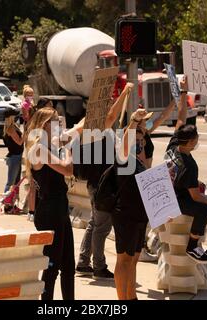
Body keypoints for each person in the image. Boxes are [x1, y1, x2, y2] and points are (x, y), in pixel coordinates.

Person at [166, 77, 207, 267]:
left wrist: (184, 91)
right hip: (177, 200)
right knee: (205, 208)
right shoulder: (188, 165)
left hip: (178, 191)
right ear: (189, 143)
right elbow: (196, 197)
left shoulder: (173, 145)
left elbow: (181, 117)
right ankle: (192, 245)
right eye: (196, 139)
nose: (197, 141)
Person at [76, 82, 134, 281]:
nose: (110, 103)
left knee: (96, 223)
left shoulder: (100, 126)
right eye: (106, 101)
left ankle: (83, 262)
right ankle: (99, 266)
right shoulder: (93, 124)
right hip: (100, 184)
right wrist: (124, 93)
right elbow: (111, 117)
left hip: (100, 182)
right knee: (102, 227)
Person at [25, 107, 84, 300]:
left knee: (68, 265)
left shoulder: (50, 144)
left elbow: (80, 128)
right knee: (52, 267)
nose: (60, 124)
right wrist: (68, 150)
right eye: (56, 121)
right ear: (44, 125)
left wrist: (92, 112)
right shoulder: (39, 148)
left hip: (59, 208)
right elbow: (68, 170)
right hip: (50, 212)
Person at [112, 108, 150, 300]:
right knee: (124, 259)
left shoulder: (138, 161)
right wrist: (134, 120)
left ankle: (131, 296)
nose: (140, 143)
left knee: (134, 258)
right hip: (125, 213)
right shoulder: (123, 157)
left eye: (142, 141)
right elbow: (126, 143)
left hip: (139, 214)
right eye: (137, 140)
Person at [135, 101, 176, 262]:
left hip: (146, 175)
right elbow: (138, 159)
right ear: (139, 122)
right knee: (144, 217)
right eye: (145, 119)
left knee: (150, 216)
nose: (148, 121)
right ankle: (140, 248)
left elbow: (162, 117)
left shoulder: (144, 132)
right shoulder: (136, 136)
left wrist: (174, 100)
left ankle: (143, 245)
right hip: (141, 177)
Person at [3, 109, 24, 195]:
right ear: (10, 117)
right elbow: (19, 142)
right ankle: (6, 203)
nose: (16, 116)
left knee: (16, 182)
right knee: (11, 182)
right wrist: (25, 133)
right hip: (14, 157)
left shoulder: (13, 126)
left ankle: (13, 203)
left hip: (16, 156)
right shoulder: (10, 128)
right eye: (14, 115)